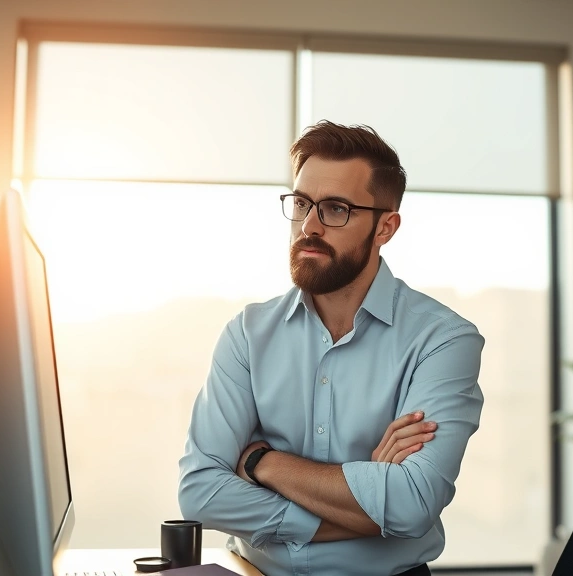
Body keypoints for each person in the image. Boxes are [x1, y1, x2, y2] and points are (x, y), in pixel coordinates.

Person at [178, 121, 485, 576]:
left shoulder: (443, 340)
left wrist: (263, 463)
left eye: (336, 208)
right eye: (301, 203)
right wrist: (368, 508)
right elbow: (200, 493)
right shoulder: (247, 334)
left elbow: (412, 504)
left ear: (386, 227)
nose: (309, 226)